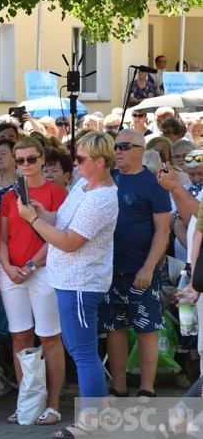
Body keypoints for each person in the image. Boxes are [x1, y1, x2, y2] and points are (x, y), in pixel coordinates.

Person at [17, 131, 118, 439]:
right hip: (68, 281)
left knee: (83, 353)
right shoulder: (83, 186)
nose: (75, 163)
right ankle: (96, 417)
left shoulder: (102, 197)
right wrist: (39, 212)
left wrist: (33, 221)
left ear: (99, 162)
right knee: (81, 352)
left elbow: (70, 242)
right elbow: (61, 220)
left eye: (80, 159)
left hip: (81, 283)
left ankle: (91, 423)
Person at [0, 138, 67, 426]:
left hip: (44, 271)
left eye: (31, 159)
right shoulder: (8, 196)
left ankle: (52, 404)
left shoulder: (57, 193)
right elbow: (1, 239)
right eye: (21, 160)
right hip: (12, 272)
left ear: (41, 160)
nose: (26, 165)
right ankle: (27, 401)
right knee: (19, 338)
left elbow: (57, 237)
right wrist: (8, 267)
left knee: (50, 338)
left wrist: (29, 266)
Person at [101, 129, 171, 400]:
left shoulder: (154, 183)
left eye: (124, 146)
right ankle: (118, 388)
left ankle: (147, 388)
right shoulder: (108, 179)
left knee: (146, 329)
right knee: (114, 330)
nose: (118, 151)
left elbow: (163, 231)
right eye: (115, 146)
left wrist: (148, 267)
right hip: (109, 271)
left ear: (141, 150)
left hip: (141, 270)